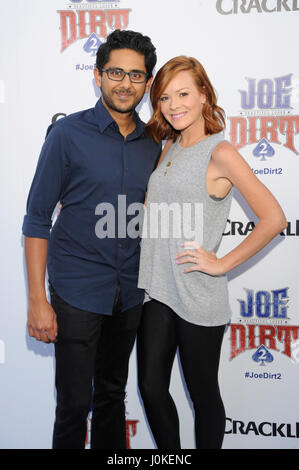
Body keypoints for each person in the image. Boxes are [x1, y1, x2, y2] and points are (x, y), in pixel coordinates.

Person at [137, 56, 287, 449]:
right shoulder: (167, 146)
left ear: (203, 94)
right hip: (157, 288)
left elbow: (274, 218)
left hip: (198, 292)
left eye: (183, 93)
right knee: (151, 387)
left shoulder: (220, 152)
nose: (174, 105)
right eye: (165, 97)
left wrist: (220, 263)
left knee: (203, 395)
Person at [22, 29, 161, 449]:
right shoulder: (67, 134)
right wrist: (36, 300)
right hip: (77, 290)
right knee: (73, 404)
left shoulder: (156, 142)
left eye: (136, 75)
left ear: (148, 83)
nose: (125, 83)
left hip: (131, 292)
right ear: (97, 75)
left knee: (112, 398)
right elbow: (36, 219)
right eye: (116, 72)